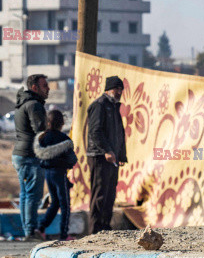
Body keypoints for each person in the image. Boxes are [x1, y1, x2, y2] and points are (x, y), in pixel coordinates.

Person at [87, 76, 127, 234]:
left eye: (121, 89)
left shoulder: (114, 107)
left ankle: (105, 227)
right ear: (108, 89)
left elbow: (119, 133)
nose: (119, 92)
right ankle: (95, 230)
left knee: (110, 193)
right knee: (100, 194)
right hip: (100, 156)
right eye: (117, 89)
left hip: (112, 158)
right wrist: (106, 151)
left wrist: (121, 155)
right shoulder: (100, 105)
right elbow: (95, 131)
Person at [11, 74, 49, 240]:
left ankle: (28, 230)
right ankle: (30, 231)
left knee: (26, 194)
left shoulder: (23, 103)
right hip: (30, 156)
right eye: (45, 86)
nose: (48, 89)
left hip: (21, 154)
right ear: (35, 88)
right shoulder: (34, 105)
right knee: (33, 195)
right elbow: (40, 131)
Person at [33, 110, 77, 241]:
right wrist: (66, 164)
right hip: (60, 173)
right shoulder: (64, 139)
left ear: (48, 122)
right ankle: (64, 234)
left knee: (55, 203)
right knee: (65, 204)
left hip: (48, 174)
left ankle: (41, 228)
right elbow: (72, 159)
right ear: (62, 123)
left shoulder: (42, 138)